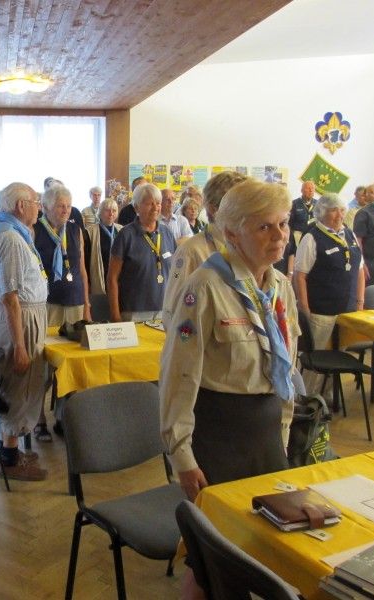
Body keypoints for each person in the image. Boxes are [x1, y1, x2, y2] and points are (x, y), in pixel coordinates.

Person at [160, 179, 299, 505]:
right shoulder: (205, 286)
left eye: (283, 223)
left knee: (267, 536)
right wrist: (182, 456)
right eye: (264, 227)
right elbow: (179, 373)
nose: (279, 235)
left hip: (267, 433)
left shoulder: (280, 287)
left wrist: (284, 430)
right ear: (233, 234)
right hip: (220, 435)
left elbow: (287, 366)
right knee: (221, 541)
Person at [0, 182, 48, 481]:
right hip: (18, 318)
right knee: (20, 384)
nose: (39, 207)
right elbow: (11, 297)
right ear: (21, 206)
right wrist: (20, 345)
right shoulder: (10, 238)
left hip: (17, 315)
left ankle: (12, 448)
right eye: (35, 201)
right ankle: (9, 457)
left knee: (20, 382)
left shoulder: (3, 229)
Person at [294, 193, 365, 394]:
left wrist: (360, 302)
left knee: (338, 359)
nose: (340, 214)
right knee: (317, 360)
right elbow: (300, 276)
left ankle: (328, 399)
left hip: (347, 310)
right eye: (334, 210)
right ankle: (308, 400)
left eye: (342, 210)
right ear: (321, 213)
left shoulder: (349, 234)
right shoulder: (312, 237)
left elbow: (359, 269)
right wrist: (304, 307)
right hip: (321, 310)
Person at [162, 171, 248, 328]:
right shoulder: (190, 252)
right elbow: (171, 313)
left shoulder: (248, 249)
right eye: (239, 205)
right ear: (214, 209)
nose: (248, 212)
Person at [107, 183, 176, 322]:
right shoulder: (126, 235)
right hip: (134, 311)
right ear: (137, 207)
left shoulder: (167, 233)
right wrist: (115, 315)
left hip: (165, 310)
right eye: (150, 204)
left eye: (158, 203)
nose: (156, 208)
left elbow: (175, 272)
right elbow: (112, 278)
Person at [34, 184, 91, 327]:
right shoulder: (34, 230)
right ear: (46, 207)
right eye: (60, 206)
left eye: (69, 206)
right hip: (47, 301)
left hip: (75, 299)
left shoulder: (76, 230)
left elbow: (82, 270)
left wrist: (86, 305)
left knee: (74, 347)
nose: (66, 210)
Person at [85, 198, 122, 296]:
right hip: (99, 276)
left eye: (114, 211)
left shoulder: (122, 230)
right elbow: (86, 260)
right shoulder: (90, 232)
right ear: (100, 212)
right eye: (107, 210)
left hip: (118, 277)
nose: (111, 214)